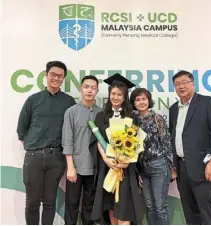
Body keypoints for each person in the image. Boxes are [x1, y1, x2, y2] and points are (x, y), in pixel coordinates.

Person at [16, 61, 75, 225]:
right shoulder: (33, 100)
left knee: (50, 202)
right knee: (32, 202)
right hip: (33, 157)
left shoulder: (69, 102)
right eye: (53, 75)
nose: (56, 78)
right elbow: (21, 130)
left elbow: (72, 130)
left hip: (56, 158)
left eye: (60, 76)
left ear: (64, 78)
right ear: (46, 75)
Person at [169, 70, 211, 225]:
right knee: (190, 214)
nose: (181, 86)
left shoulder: (207, 102)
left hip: (204, 168)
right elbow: (174, 137)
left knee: (207, 213)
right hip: (182, 168)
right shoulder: (173, 109)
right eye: (177, 84)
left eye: (185, 82)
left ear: (193, 83)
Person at [90, 73, 142, 225]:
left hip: (125, 169)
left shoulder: (133, 117)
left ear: (124, 97)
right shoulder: (101, 116)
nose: (116, 97)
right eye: (113, 94)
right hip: (108, 168)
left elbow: (137, 143)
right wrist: (106, 159)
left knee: (124, 208)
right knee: (111, 206)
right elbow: (97, 141)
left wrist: (125, 163)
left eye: (119, 94)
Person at [130, 88, 176, 225]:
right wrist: (136, 171)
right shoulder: (132, 121)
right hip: (143, 169)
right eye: (137, 99)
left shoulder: (157, 118)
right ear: (133, 102)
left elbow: (167, 143)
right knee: (149, 207)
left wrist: (172, 168)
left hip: (159, 165)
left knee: (160, 206)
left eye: (144, 99)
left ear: (149, 100)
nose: (141, 102)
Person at [62, 75, 102, 225]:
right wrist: (70, 167)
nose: (89, 90)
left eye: (93, 88)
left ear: (97, 91)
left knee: (89, 206)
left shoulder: (101, 113)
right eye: (86, 87)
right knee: (72, 204)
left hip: (95, 168)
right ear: (81, 89)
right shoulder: (71, 112)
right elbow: (67, 140)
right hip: (76, 168)